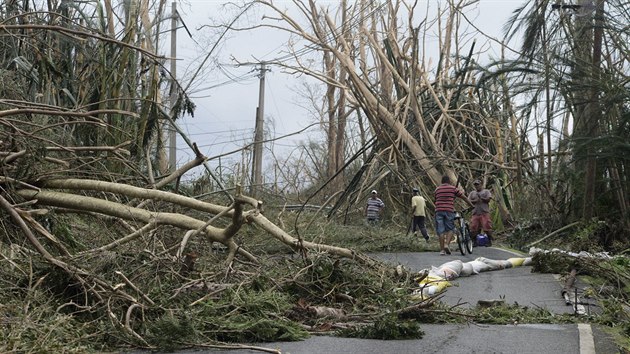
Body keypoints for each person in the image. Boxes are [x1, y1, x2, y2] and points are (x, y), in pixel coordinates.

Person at [434, 175, 474, 255]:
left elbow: (435, 199)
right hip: (449, 210)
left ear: (442, 182)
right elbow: (464, 197)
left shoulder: (437, 189)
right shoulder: (453, 188)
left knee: (440, 231)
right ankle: (446, 245)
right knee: (450, 229)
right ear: (449, 181)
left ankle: (442, 250)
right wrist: (471, 205)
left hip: (438, 211)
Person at [468, 179, 493, 246]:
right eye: (475, 185)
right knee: (473, 227)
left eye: (478, 184)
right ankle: (474, 241)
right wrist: (475, 201)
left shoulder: (486, 191)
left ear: (481, 184)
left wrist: (481, 198)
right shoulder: (472, 193)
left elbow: (488, 199)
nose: (477, 186)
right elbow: (468, 201)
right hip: (475, 212)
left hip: (484, 212)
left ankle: (489, 241)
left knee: (487, 227)